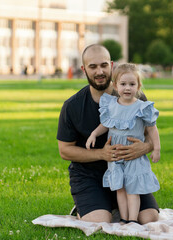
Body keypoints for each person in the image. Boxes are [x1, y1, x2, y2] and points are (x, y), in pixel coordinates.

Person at [57, 44, 159, 224]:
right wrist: (101, 154)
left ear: (111, 65)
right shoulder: (72, 106)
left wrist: (146, 147)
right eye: (93, 66)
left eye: (104, 65)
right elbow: (65, 150)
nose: (100, 71)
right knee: (100, 220)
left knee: (150, 218)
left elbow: (151, 132)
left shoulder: (136, 97)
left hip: (131, 172)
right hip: (90, 177)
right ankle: (87, 205)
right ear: (84, 69)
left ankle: (117, 207)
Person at [85, 63, 160, 224]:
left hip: (134, 156)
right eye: (123, 84)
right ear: (115, 85)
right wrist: (93, 134)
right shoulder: (111, 104)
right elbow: (105, 124)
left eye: (132, 84)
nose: (127, 88)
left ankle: (132, 219)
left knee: (133, 189)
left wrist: (156, 148)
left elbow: (152, 129)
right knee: (120, 188)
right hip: (115, 155)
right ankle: (124, 218)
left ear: (138, 86)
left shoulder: (142, 107)